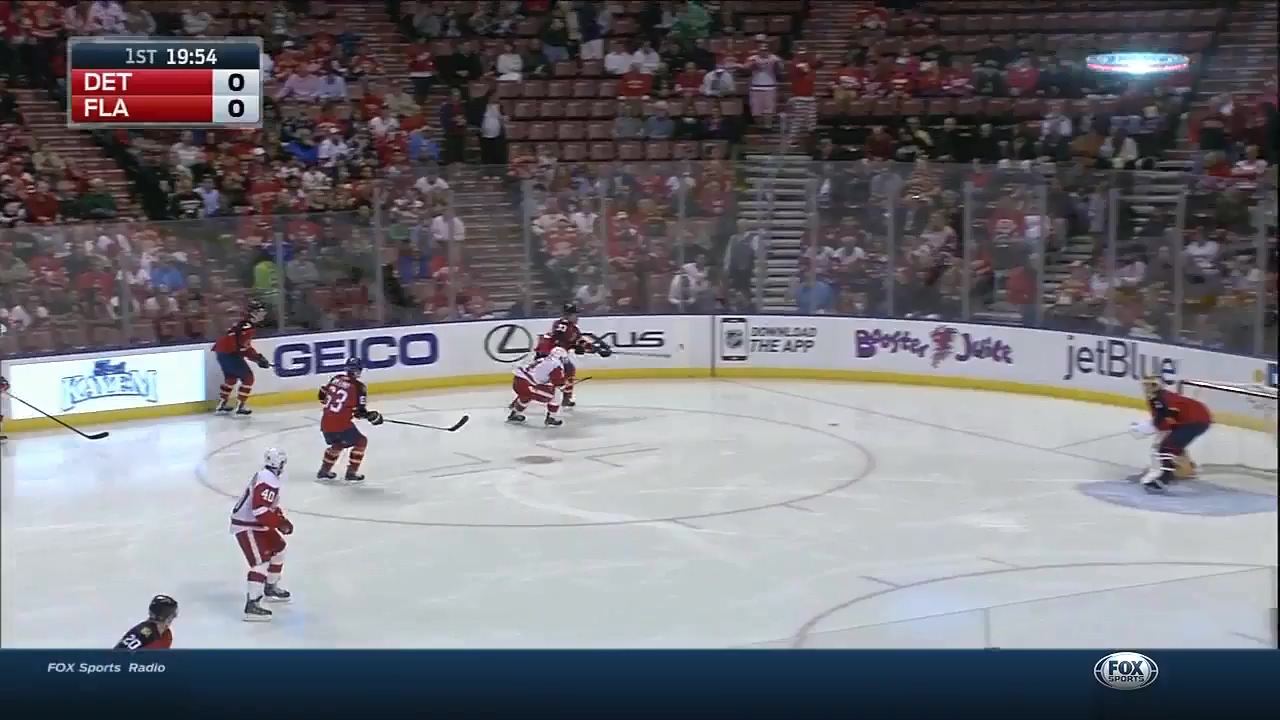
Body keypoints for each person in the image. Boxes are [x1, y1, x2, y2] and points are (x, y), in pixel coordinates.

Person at [230, 448, 294, 622]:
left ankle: (270, 587)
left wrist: (280, 519)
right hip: (247, 525)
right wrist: (279, 523)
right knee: (260, 563)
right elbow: (259, 510)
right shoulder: (268, 479)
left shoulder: (267, 476)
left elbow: (268, 506)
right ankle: (252, 605)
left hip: (256, 523)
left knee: (279, 549)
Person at [1130, 376, 1213, 491]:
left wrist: (1148, 427)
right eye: (1145, 385)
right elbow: (1163, 421)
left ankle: (1166, 477)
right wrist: (1152, 425)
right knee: (1171, 445)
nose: (1147, 388)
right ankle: (1180, 470)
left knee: (1167, 447)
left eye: (1151, 385)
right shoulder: (1157, 398)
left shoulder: (1162, 400)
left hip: (1196, 421)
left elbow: (1166, 421)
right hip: (1190, 420)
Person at [317, 358, 384, 483]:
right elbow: (360, 413)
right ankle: (351, 473)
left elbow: (322, 394)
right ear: (359, 370)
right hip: (341, 424)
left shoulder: (336, 378)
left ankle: (324, 471)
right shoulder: (359, 387)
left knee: (339, 444)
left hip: (325, 422)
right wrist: (373, 417)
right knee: (361, 441)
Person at [532, 303, 612, 408]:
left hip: (553, 355)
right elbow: (561, 338)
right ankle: (566, 398)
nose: (577, 317)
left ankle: (565, 397)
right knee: (567, 370)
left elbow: (579, 342)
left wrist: (597, 350)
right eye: (574, 315)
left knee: (556, 373)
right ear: (567, 315)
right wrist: (580, 347)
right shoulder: (561, 325)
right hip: (549, 354)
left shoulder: (573, 329)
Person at [211, 301, 272, 415]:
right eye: (261, 312)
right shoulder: (247, 327)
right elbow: (242, 347)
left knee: (231, 378)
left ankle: (221, 405)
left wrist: (257, 358)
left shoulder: (244, 324)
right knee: (248, 378)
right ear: (253, 313)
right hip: (229, 353)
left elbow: (242, 346)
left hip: (221, 351)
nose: (263, 314)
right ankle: (240, 406)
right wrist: (257, 358)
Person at [509, 346, 570, 427]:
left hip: (517, 381)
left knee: (526, 396)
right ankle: (551, 418)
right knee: (556, 394)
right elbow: (558, 383)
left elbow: (539, 375)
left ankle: (515, 414)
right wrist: (564, 385)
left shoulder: (542, 359)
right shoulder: (556, 365)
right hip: (527, 385)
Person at [114, 595, 178, 649]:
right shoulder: (142, 634)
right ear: (168, 618)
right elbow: (117, 655)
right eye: (172, 616)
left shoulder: (165, 634)